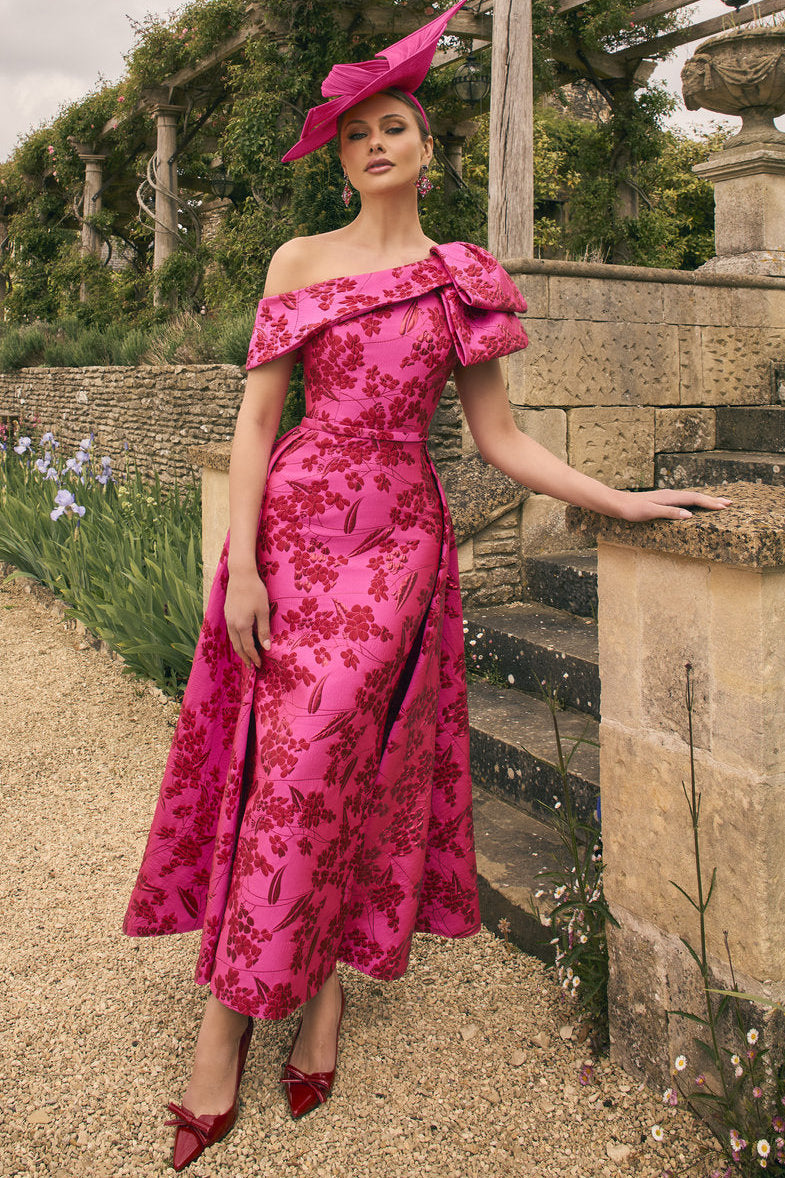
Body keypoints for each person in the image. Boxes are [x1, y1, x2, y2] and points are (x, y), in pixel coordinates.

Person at [123, 1, 731, 1170]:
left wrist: (623, 500)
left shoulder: (463, 277)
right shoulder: (295, 263)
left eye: (392, 126)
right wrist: (240, 562)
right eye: (355, 136)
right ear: (343, 159)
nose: (375, 145)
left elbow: (498, 439)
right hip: (295, 532)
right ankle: (257, 1010)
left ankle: (300, 994)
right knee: (287, 761)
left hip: (398, 546)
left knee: (336, 760)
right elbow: (255, 425)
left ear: (424, 147)